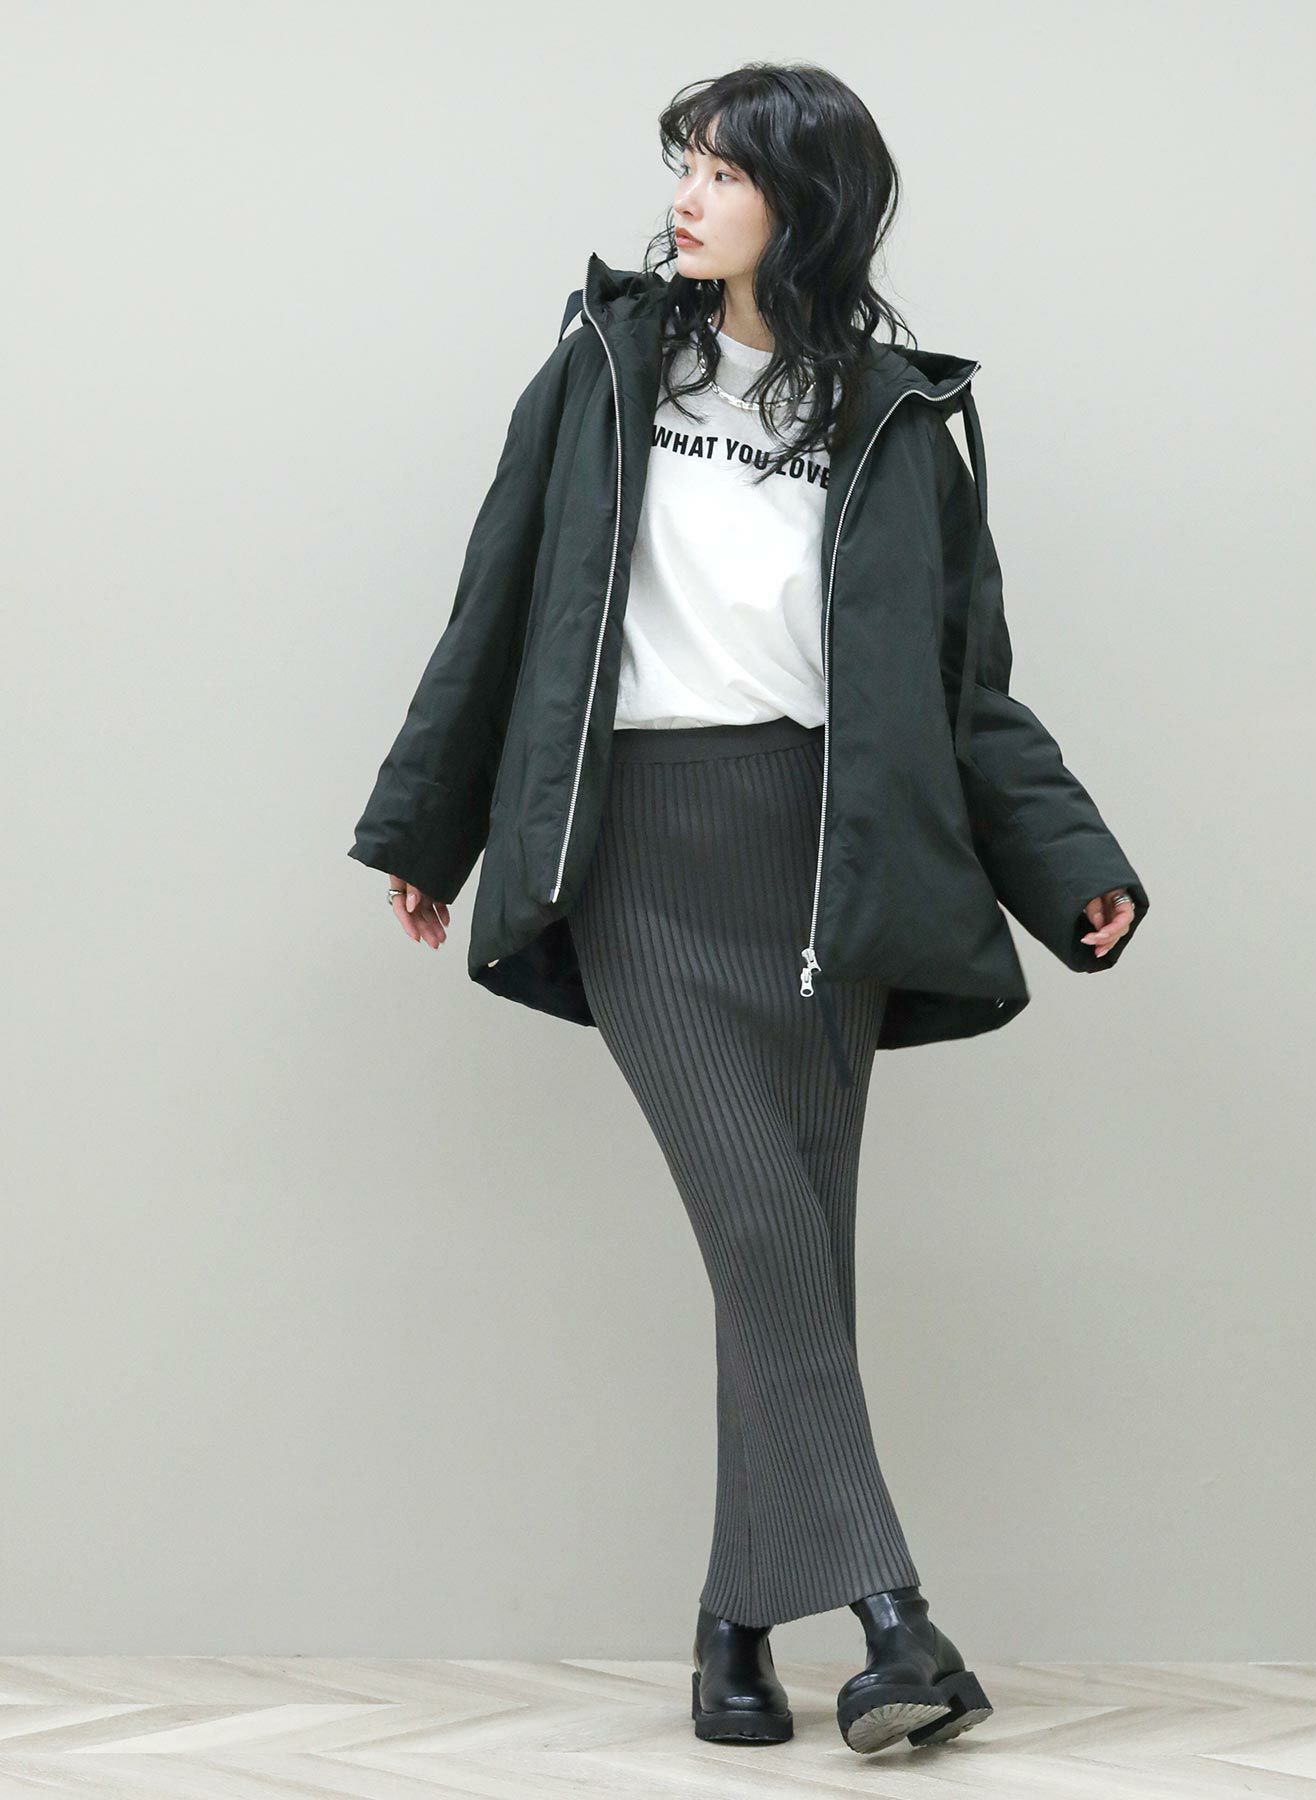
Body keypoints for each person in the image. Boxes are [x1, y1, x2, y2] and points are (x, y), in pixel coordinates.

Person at [348, 62, 1149, 1757]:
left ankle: (732, 1628)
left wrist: (1071, 860)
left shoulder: (898, 420)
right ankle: (895, 1615)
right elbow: (498, 606)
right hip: (641, 848)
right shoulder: (606, 368)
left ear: (809, 200)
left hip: (826, 859)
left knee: (784, 1249)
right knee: (764, 1227)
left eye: (722, 170)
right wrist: (431, 825)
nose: (687, 196)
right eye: (686, 166)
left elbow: (965, 687)